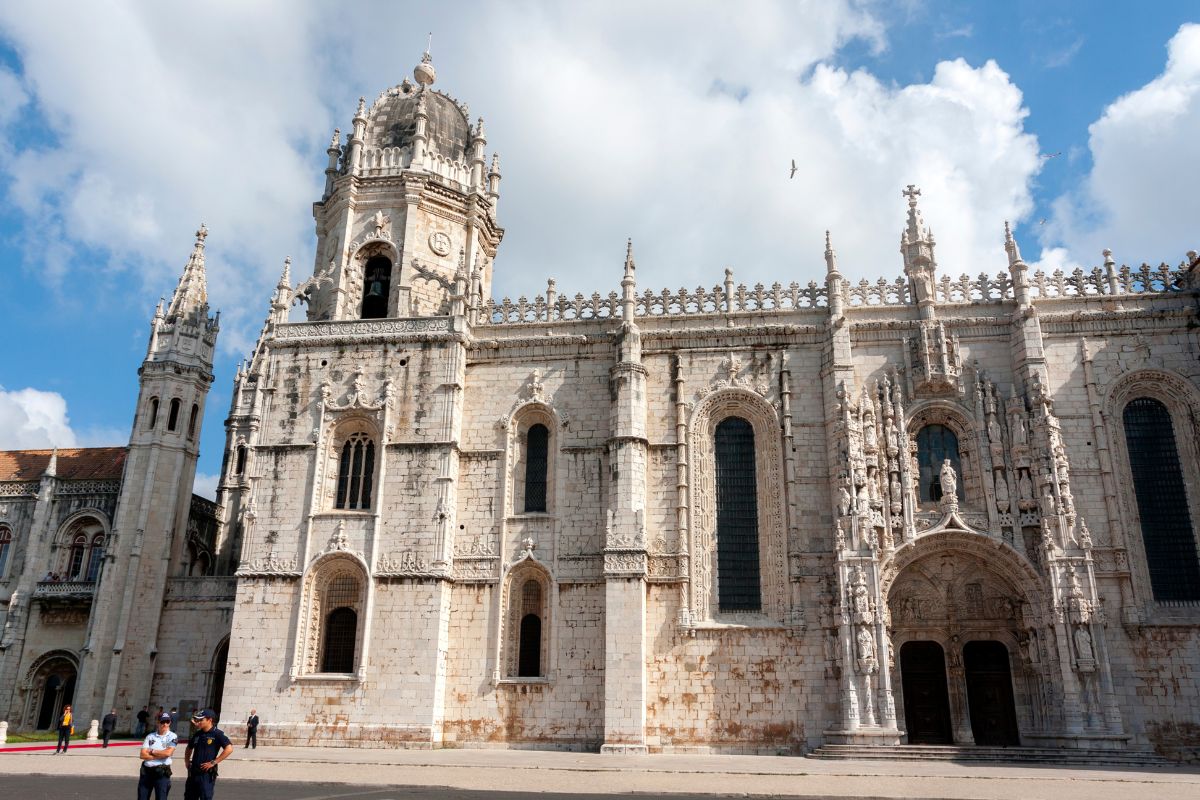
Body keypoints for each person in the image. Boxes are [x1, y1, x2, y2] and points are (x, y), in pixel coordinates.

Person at [184, 709, 233, 800]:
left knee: (205, 797)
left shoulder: (217, 734)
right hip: (193, 772)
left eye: (201, 720)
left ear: (209, 720)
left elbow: (229, 749)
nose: (199, 722)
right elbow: (189, 748)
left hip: (206, 774)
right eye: (198, 720)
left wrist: (214, 762)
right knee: (189, 797)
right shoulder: (198, 734)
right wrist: (187, 761)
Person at [138, 712, 178, 800]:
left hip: (162, 772)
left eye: (167, 722)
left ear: (170, 722)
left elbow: (168, 753)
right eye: (162, 722)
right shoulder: (150, 736)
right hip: (147, 772)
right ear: (158, 722)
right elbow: (142, 755)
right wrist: (160, 755)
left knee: (161, 798)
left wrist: (152, 751)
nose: (165, 724)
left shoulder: (172, 736)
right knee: (142, 797)